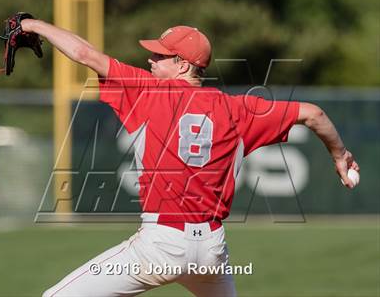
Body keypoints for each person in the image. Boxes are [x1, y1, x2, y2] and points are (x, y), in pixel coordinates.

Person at [20, 19, 360, 296]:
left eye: (159, 56)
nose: (150, 60)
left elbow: (84, 53)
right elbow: (313, 114)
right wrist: (340, 155)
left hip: (161, 245)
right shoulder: (238, 109)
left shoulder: (147, 92)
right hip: (212, 250)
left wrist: (35, 25)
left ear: (182, 64)